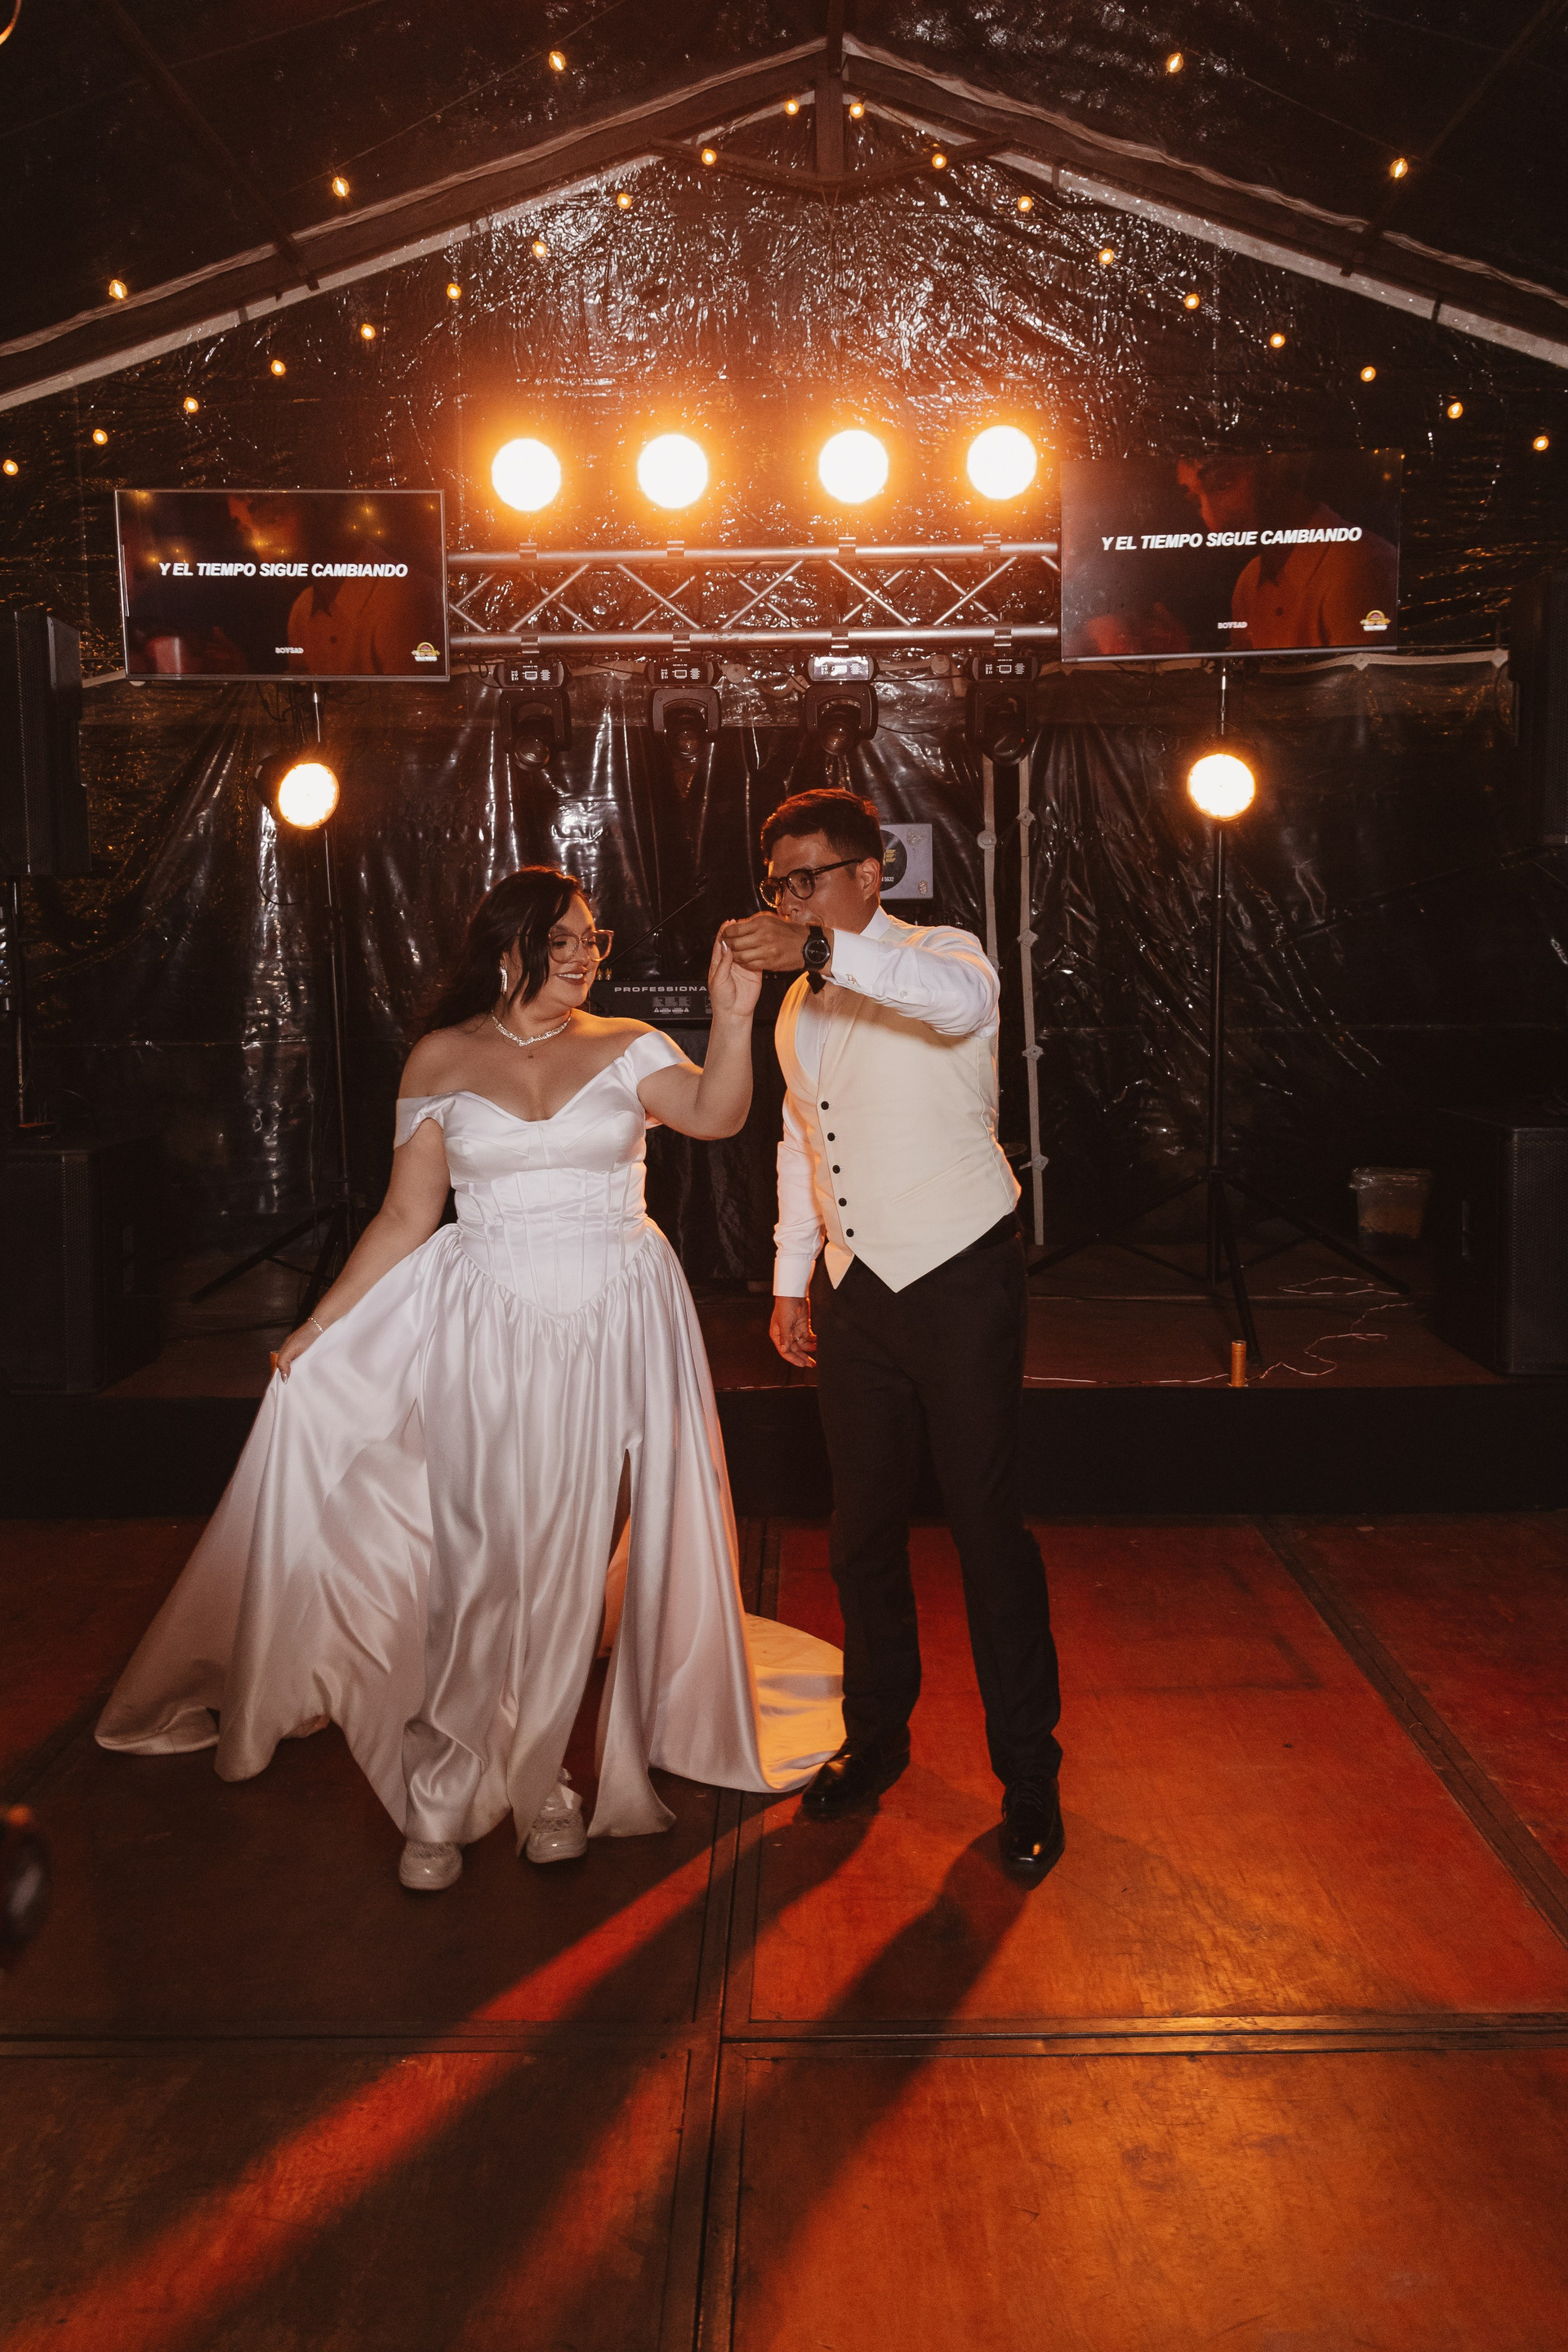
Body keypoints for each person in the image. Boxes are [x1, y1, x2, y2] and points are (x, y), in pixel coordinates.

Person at [98, 867, 842, 1891]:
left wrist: (733, 1014)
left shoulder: (628, 1045)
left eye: (593, 940)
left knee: (572, 1558)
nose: (583, 957)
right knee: (481, 1557)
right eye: (563, 940)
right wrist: (316, 1326)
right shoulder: (441, 1057)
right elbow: (408, 1215)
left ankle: (545, 1786)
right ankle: (444, 1789)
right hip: (486, 1325)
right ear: (507, 949)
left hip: (615, 1318)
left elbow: (717, 1117)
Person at [724, 789, 1065, 1885]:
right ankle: (874, 1741)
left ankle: (1029, 1777)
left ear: (872, 874)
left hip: (961, 1275)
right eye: (779, 883)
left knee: (985, 1530)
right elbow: (800, 1140)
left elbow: (956, 1008)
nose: (792, 899)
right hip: (854, 1292)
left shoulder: (944, 955)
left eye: (810, 878)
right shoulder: (799, 1003)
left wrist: (824, 945)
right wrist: (792, 1280)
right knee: (861, 1533)